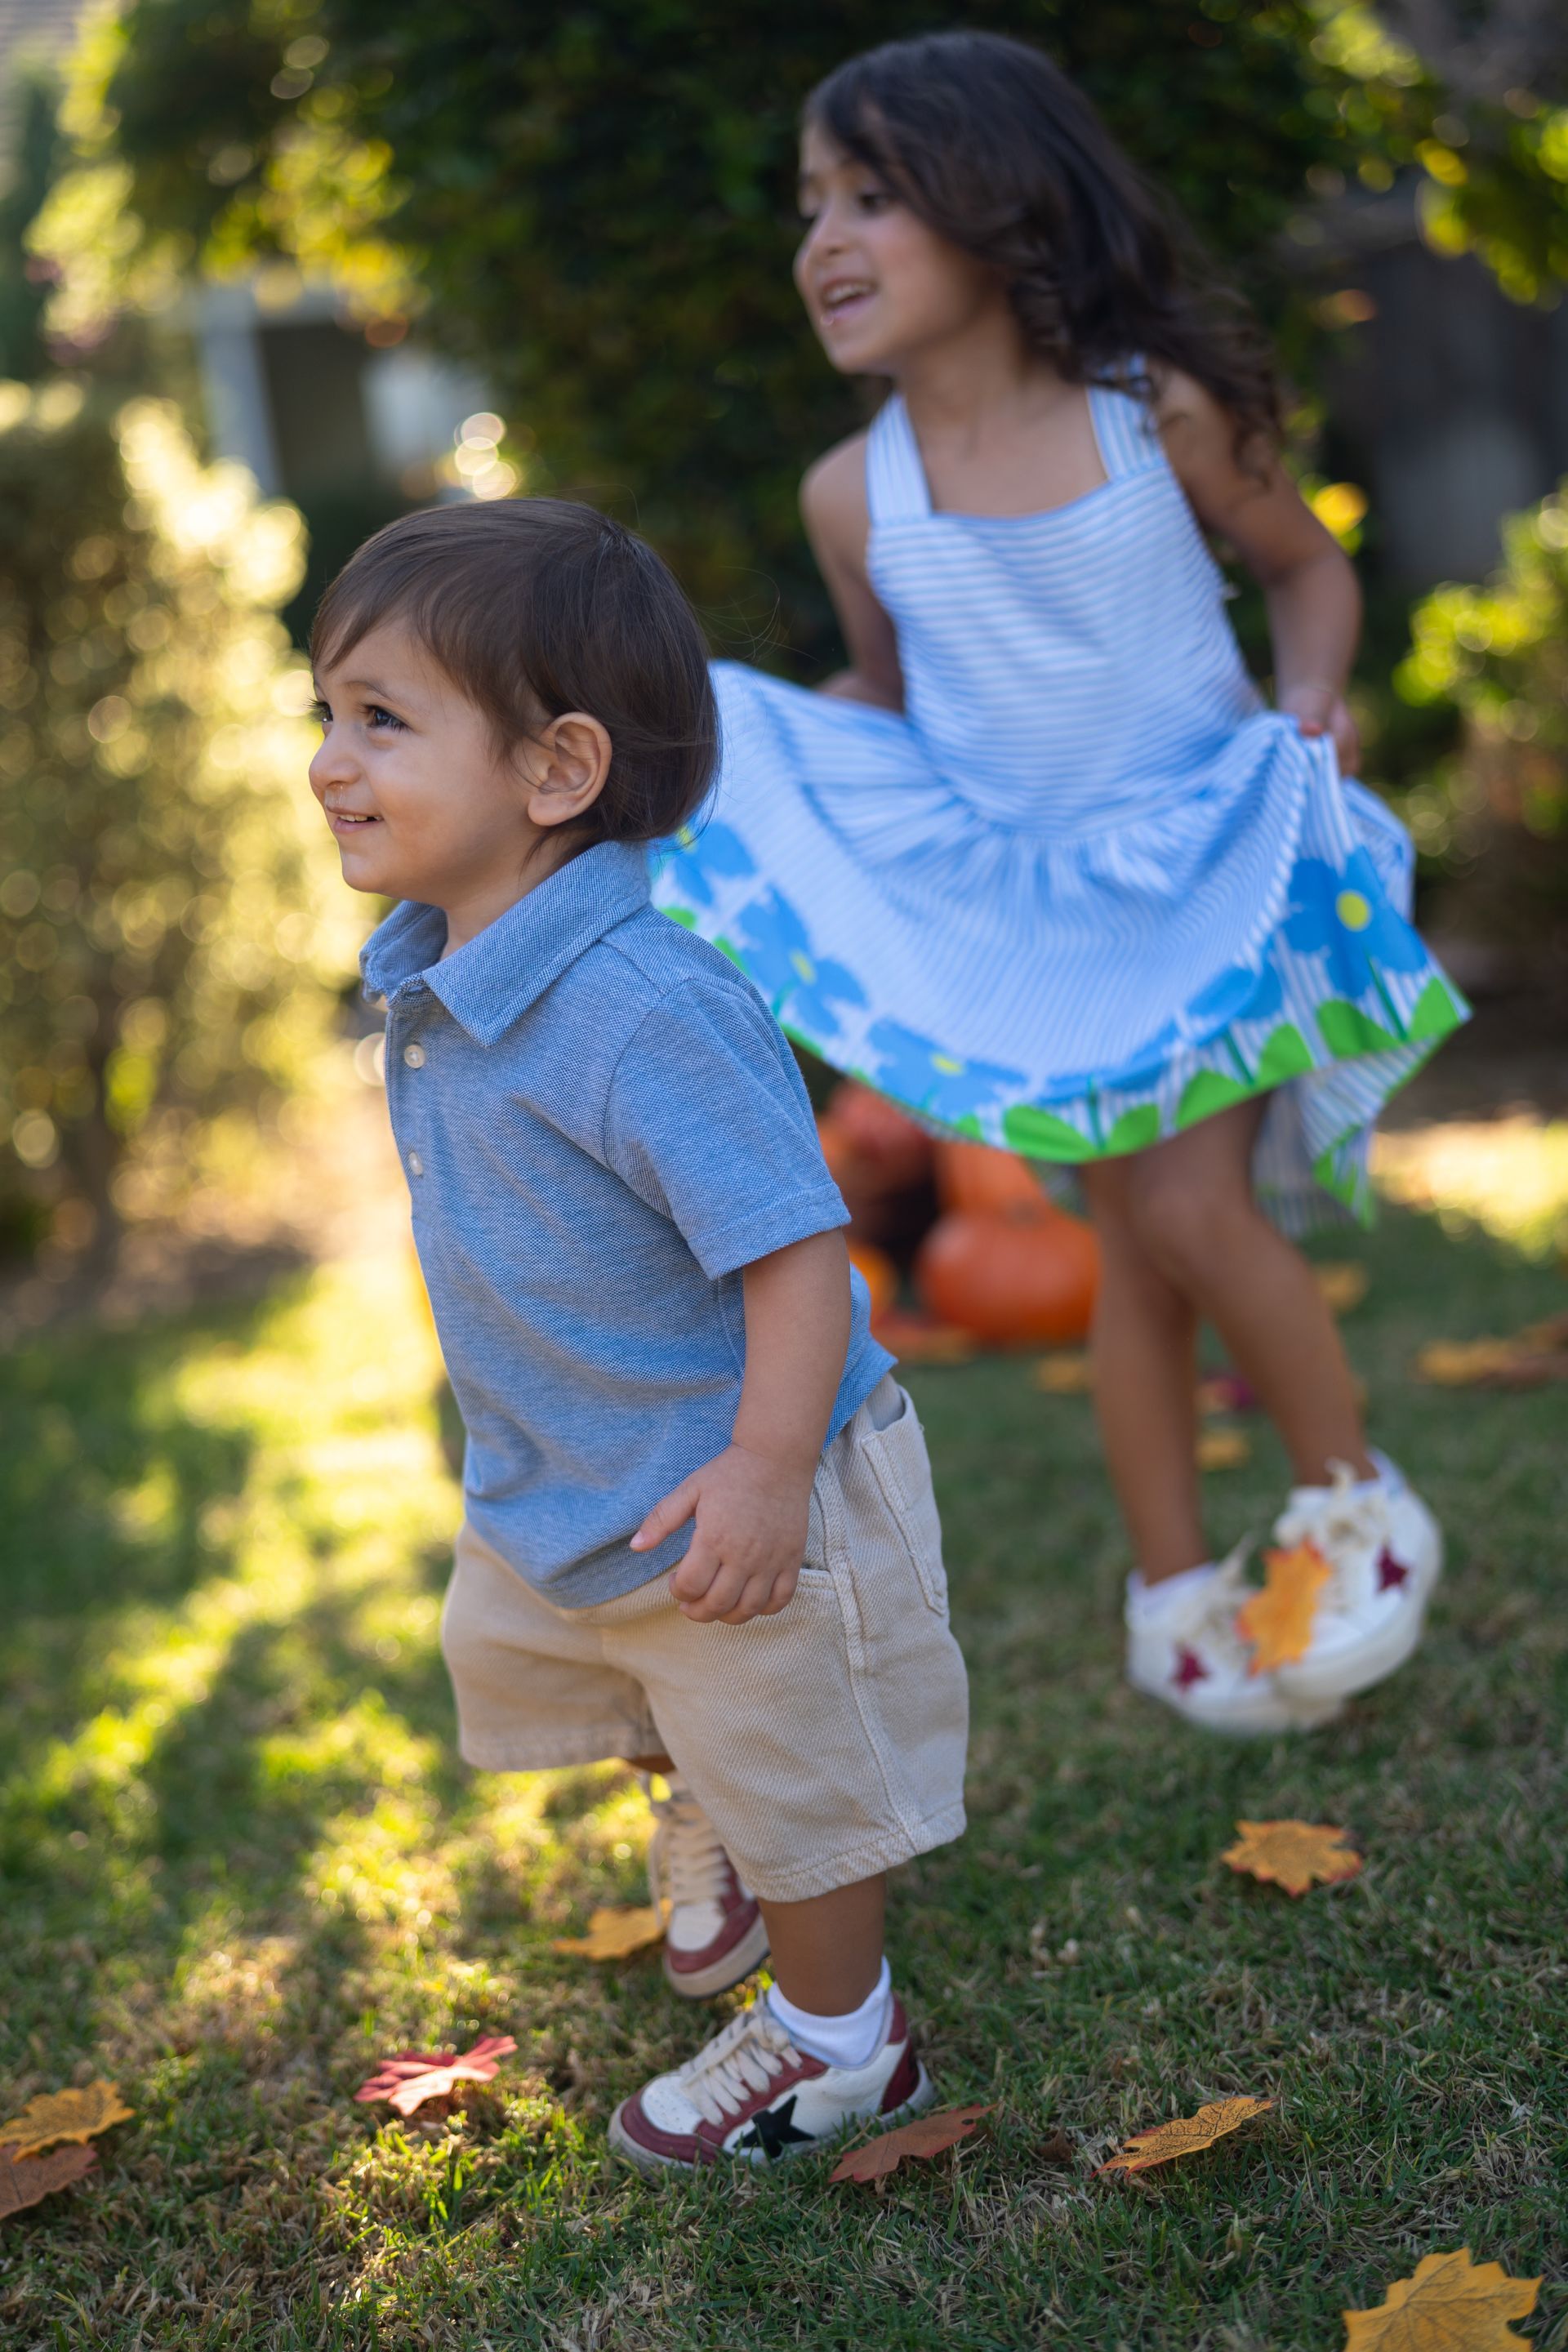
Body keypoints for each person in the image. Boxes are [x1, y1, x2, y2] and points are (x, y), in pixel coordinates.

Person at [653, 32, 1464, 1736]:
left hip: (1206, 867)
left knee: (1179, 1209)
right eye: (810, 205)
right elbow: (896, 695)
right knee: (1130, 1248)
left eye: (870, 196)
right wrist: (789, 777)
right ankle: (1176, 1602)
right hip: (1041, 924)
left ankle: (1356, 1501)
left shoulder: (1149, 412)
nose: (823, 240)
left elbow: (1305, 574)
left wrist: (1318, 698)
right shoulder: (849, 497)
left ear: (996, 201)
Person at [307, 497, 968, 2169]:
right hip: (583, 1482)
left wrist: (762, 1468)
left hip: (746, 1485)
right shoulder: (439, 978)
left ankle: (838, 2043)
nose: (329, 759)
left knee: (801, 1778)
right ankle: (710, 1814)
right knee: (580, 1670)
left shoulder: (643, 1006)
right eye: (328, 714)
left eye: (381, 720)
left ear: (556, 771)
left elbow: (799, 1258)